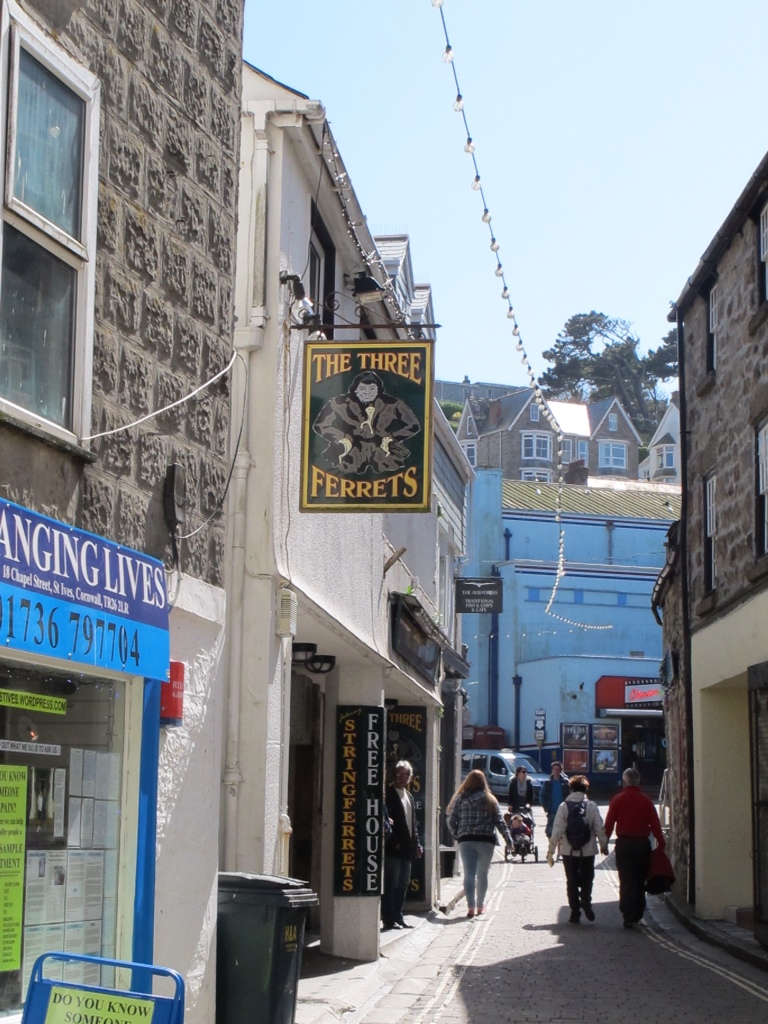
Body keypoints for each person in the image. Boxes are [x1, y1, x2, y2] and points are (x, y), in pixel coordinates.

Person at [604, 766, 665, 928]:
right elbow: (655, 824)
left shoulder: (617, 799)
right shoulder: (646, 800)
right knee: (639, 880)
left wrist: (604, 843)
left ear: (625, 782)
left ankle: (627, 914)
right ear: (638, 782)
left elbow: (609, 824)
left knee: (626, 880)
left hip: (624, 844)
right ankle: (637, 913)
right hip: (641, 845)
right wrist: (661, 842)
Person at [447, 769, 513, 918]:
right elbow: (499, 821)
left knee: (469, 874)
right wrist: (508, 840)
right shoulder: (490, 799)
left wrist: (457, 835)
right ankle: (480, 905)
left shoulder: (459, 799)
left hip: (466, 840)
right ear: (484, 782)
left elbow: (450, 820)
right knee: (482, 874)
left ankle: (470, 905)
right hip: (486, 840)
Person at [547, 775, 608, 924]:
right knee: (588, 878)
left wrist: (551, 851)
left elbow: (557, 830)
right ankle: (586, 900)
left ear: (571, 788)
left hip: (568, 850)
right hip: (588, 851)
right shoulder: (591, 806)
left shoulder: (564, 806)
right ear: (585, 789)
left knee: (571, 881)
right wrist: (604, 845)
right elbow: (599, 827)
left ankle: (575, 912)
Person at [382, 760, 423, 930]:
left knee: (403, 884)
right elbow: (387, 823)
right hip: (394, 849)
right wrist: (395, 843)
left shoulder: (409, 796)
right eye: (398, 773)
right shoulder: (388, 795)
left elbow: (412, 823)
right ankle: (389, 919)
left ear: (409, 777)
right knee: (391, 884)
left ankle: (399, 916)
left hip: (408, 848)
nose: (400, 777)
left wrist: (417, 844)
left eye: (404, 774)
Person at [540, 760, 570, 838]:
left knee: (563, 832)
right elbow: (542, 795)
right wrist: (545, 807)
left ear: (561, 770)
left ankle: (560, 849)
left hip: (563, 810)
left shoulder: (565, 782)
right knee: (550, 832)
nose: (556, 771)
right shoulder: (547, 783)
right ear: (552, 770)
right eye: (554, 769)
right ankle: (551, 848)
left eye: (558, 769)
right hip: (552, 810)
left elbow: (570, 795)